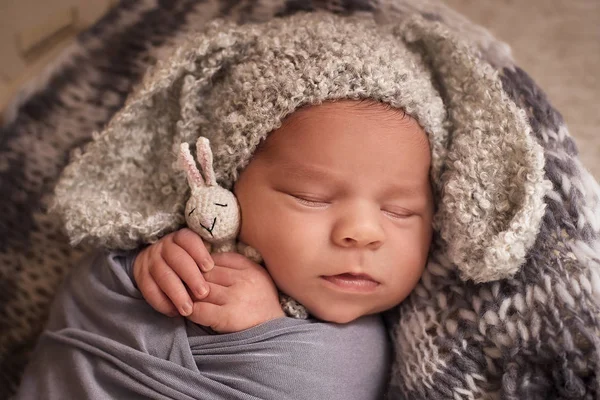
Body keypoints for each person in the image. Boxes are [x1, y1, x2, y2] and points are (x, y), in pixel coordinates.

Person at [16, 13, 442, 400]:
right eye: (311, 197)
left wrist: (265, 330)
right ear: (230, 182)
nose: (364, 231)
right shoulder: (183, 255)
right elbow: (87, 312)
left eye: (400, 211)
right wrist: (145, 273)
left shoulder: (394, 349)